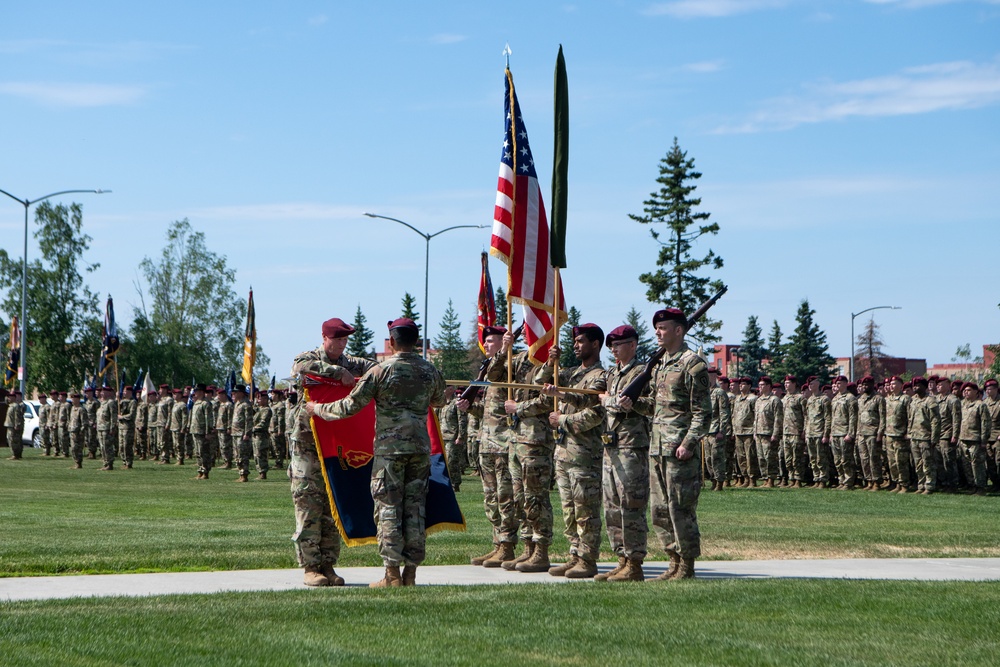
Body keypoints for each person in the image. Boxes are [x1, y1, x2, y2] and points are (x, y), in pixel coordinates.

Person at [307, 317, 446, 588]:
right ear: (416, 341)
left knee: (388, 509)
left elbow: (349, 406)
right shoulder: (430, 371)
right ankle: (410, 574)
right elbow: (440, 400)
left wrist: (318, 410)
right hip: (419, 451)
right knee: (415, 510)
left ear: (392, 341)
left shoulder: (380, 372)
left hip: (389, 453)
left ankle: (391, 574)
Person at [289, 316, 376, 587]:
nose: (341, 344)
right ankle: (310, 566)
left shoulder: (353, 362)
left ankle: (328, 564)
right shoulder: (310, 357)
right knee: (308, 505)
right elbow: (300, 367)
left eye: (345, 339)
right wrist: (338, 374)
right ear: (325, 338)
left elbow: (375, 369)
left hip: (337, 445)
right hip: (308, 445)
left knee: (332, 504)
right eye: (337, 339)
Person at [632, 308, 710, 581]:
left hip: (679, 450)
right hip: (657, 447)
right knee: (660, 509)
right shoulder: (660, 364)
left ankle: (687, 565)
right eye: (657, 328)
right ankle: (673, 561)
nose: (657, 332)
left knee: (681, 507)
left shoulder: (693, 364)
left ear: (679, 330)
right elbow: (655, 405)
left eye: (663, 327)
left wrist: (688, 443)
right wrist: (632, 403)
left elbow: (703, 412)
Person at [540, 323, 607, 580]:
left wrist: (563, 420)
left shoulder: (600, 376)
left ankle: (588, 559)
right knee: (568, 509)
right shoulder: (570, 374)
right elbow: (541, 381)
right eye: (575, 341)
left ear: (595, 344)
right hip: (564, 452)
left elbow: (594, 413)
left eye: (580, 341)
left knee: (585, 509)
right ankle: (574, 555)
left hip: (584, 453)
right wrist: (550, 362)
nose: (576, 346)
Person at [456, 326, 520, 568]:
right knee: (490, 499)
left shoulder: (505, 369)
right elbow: (487, 410)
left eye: (493, 341)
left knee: (505, 497)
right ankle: (497, 545)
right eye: (487, 342)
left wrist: (504, 352)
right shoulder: (487, 371)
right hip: (486, 443)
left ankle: (507, 546)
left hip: (503, 444)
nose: (489, 345)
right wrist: (469, 406)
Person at [595, 324, 651, 582]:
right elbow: (600, 398)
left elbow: (650, 405)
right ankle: (621, 558)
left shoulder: (643, 372)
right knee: (612, 506)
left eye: (619, 345)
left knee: (631, 505)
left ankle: (635, 561)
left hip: (631, 447)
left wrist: (613, 401)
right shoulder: (612, 373)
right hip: (611, 446)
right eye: (612, 346)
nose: (615, 350)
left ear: (632, 344)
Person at [907, 377, 941, 494]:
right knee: (917, 463)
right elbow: (910, 418)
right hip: (914, 436)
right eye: (914, 385)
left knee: (928, 462)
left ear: (924, 387)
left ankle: (930, 486)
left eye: (918, 385)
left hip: (926, 436)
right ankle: (920, 485)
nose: (915, 387)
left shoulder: (930, 400)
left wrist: (934, 438)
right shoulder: (913, 400)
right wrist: (909, 432)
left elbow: (935, 420)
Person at [959, 382, 991, 496]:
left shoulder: (980, 405)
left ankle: (981, 487)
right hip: (963, 439)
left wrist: (983, 440)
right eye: (964, 390)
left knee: (977, 465)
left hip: (975, 439)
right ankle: (972, 486)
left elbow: (985, 423)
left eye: (968, 390)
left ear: (976, 392)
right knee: (967, 465)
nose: (966, 392)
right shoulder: (963, 404)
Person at [856, 376, 886, 490]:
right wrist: (858, 433)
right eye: (863, 385)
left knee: (874, 458)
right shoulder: (860, 399)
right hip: (862, 433)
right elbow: (858, 417)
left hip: (873, 432)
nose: (865, 386)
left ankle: (876, 481)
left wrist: (880, 433)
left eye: (867, 384)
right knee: (864, 458)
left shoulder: (878, 398)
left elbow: (882, 417)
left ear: (872, 385)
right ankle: (868, 480)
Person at [753, 376, 783, 488]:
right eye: (759, 385)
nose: (760, 387)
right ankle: (765, 478)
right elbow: (756, 417)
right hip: (759, 432)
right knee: (761, 457)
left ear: (769, 386)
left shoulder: (774, 400)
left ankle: (771, 479)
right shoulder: (759, 400)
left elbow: (778, 418)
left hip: (769, 433)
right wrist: (755, 432)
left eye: (762, 385)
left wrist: (775, 433)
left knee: (769, 457)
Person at [706, 368, 732, 491]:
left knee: (717, 457)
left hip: (716, 430)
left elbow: (724, 412)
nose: (708, 377)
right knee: (708, 459)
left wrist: (722, 430)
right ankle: (713, 480)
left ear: (715, 376)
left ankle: (720, 481)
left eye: (711, 375)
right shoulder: (704, 392)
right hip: (706, 431)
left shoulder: (719, 392)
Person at [830, 376, 859, 490]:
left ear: (846, 384)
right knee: (837, 460)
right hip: (835, 432)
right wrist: (831, 433)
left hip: (844, 433)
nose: (838, 385)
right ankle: (841, 480)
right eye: (836, 383)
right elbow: (832, 417)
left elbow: (853, 417)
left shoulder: (850, 398)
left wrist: (850, 434)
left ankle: (848, 482)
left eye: (840, 383)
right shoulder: (835, 398)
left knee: (846, 459)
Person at [805, 376, 833, 488]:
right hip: (811, 432)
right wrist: (806, 433)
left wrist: (826, 434)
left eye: (812, 384)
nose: (810, 386)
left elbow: (828, 418)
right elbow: (807, 418)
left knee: (821, 458)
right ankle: (816, 478)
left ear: (817, 384)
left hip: (820, 432)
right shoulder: (810, 400)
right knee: (812, 458)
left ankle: (823, 479)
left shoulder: (824, 399)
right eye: (809, 384)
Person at [781, 375, 807, 488]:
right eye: (785, 383)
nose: (786, 385)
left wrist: (804, 430)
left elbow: (806, 415)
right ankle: (791, 479)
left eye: (788, 383)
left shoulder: (800, 398)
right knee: (788, 458)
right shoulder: (784, 398)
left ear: (794, 384)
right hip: (786, 431)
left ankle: (798, 480)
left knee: (797, 457)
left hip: (797, 431)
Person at [731, 377, 757, 487]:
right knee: (740, 456)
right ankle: (745, 477)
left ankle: (752, 479)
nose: (741, 386)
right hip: (738, 431)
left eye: (744, 384)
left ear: (749, 386)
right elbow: (734, 415)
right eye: (740, 384)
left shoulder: (753, 399)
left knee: (749, 456)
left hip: (749, 431)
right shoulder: (737, 399)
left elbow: (756, 415)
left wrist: (755, 430)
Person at [189, 384, 213, 480]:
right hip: (195, 430)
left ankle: (205, 472)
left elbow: (209, 419)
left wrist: (208, 432)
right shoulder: (196, 402)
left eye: (197, 391)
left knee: (204, 452)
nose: (195, 393)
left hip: (202, 431)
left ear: (202, 392)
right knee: (198, 452)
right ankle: (200, 471)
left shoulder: (205, 403)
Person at [231, 384, 253, 483]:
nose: (234, 394)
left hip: (242, 433)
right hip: (235, 433)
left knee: (242, 455)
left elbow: (248, 421)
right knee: (237, 455)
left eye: (236, 392)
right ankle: (240, 473)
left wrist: (247, 433)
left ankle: (244, 474)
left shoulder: (246, 404)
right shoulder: (237, 403)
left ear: (241, 393)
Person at [96, 385, 118, 471]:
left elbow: (113, 416)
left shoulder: (110, 402)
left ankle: (109, 463)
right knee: (102, 446)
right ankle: (105, 463)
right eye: (101, 392)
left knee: (107, 446)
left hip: (107, 428)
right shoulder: (102, 403)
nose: (102, 393)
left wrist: (112, 428)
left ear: (108, 393)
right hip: (100, 428)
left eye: (103, 392)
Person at [68, 393, 91, 469]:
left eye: (73, 399)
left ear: (77, 399)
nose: (72, 400)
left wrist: (81, 431)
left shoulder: (81, 409)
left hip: (78, 432)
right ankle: (76, 462)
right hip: (72, 431)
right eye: (71, 399)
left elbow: (84, 422)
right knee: (73, 448)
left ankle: (79, 463)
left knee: (78, 448)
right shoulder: (72, 408)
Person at [117, 386, 137, 469]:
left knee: (127, 445)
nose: (124, 393)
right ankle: (124, 461)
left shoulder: (133, 402)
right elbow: (117, 408)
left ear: (130, 392)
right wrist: (117, 398)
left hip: (128, 427)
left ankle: (129, 463)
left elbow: (132, 415)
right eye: (124, 391)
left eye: (125, 391)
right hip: (121, 426)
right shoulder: (122, 401)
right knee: (121, 446)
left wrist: (122, 417)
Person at [215, 387, 234, 469]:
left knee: (226, 446)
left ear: (224, 395)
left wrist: (229, 427)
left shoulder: (228, 405)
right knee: (222, 446)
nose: (218, 397)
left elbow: (230, 417)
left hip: (225, 428)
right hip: (220, 428)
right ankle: (225, 461)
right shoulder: (221, 404)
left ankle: (228, 462)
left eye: (219, 395)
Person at [5, 391, 25, 460]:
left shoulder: (16, 406)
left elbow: (17, 416)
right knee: (11, 440)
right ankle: (16, 454)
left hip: (13, 426)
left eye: (9, 397)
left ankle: (15, 454)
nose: (8, 398)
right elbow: (5, 401)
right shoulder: (11, 405)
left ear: (13, 397)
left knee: (13, 440)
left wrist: (17, 424)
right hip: (10, 425)